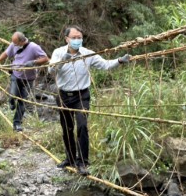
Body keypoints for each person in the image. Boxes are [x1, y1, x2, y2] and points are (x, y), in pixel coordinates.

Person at [49, 25, 130, 175]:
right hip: (63, 96)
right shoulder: (58, 52)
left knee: (82, 126)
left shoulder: (88, 54)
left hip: (82, 96)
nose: (77, 40)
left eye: (79, 37)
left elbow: (105, 65)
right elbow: (51, 70)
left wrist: (119, 61)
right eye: (74, 38)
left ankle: (83, 162)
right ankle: (70, 158)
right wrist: (62, 61)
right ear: (66, 39)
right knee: (67, 128)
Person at [0, 32, 49, 132]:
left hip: (29, 79)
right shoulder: (14, 44)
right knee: (13, 96)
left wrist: (33, 62)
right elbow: (6, 53)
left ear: (22, 41)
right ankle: (12, 102)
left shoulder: (34, 47)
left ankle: (17, 123)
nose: (14, 45)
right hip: (16, 75)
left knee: (23, 101)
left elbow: (45, 58)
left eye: (16, 43)